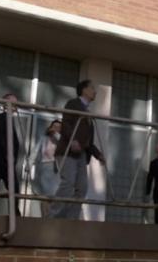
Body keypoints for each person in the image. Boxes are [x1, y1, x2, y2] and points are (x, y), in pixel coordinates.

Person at [50, 80, 105, 220]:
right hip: (68, 151)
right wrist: (72, 139)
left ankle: (71, 218)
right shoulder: (73, 104)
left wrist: (98, 155)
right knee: (68, 183)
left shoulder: (88, 113)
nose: (95, 91)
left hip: (81, 154)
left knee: (82, 187)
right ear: (84, 90)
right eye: (92, 88)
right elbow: (66, 123)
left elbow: (88, 141)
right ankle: (53, 216)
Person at [30, 119, 62, 217]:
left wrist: (57, 134)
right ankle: (45, 217)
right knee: (44, 196)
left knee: (55, 195)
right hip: (44, 169)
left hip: (56, 170)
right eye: (54, 126)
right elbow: (35, 151)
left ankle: (52, 217)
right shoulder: (44, 138)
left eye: (59, 127)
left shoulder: (61, 140)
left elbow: (63, 146)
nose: (56, 129)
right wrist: (29, 163)